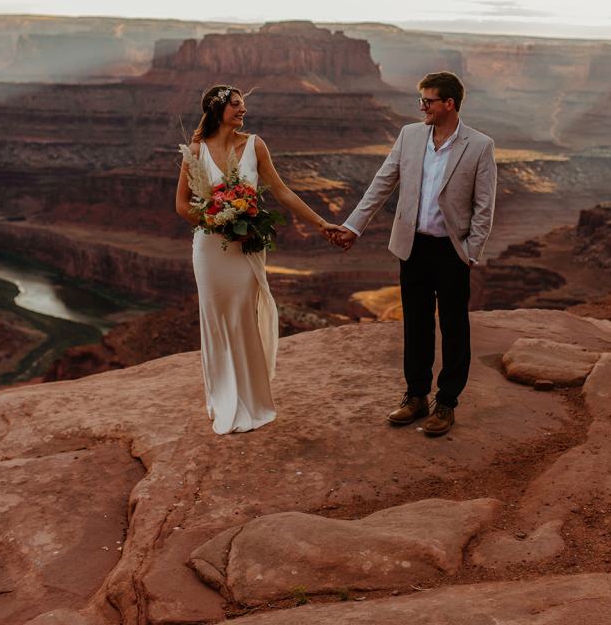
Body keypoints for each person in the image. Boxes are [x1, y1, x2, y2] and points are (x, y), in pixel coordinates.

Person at [328, 71, 496, 437]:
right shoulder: (410, 135)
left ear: (449, 104)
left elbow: (484, 205)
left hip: (452, 251)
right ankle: (416, 395)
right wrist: (353, 226)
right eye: (421, 100)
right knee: (416, 323)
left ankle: (447, 402)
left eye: (429, 101)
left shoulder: (479, 145)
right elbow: (381, 183)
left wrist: (471, 252)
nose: (422, 106)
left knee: (454, 327)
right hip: (413, 247)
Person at [176, 84, 337, 434]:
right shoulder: (196, 150)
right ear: (218, 110)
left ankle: (252, 400)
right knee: (216, 320)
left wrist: (321, 223)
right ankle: (222, 396)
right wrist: (218, 220)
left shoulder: (255, 145)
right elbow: (182, 204)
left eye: (243, 106)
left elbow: (281, 190)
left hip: (246, 247)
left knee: (244, 316)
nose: (242, 111)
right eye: (236, 106)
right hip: (209, 249)